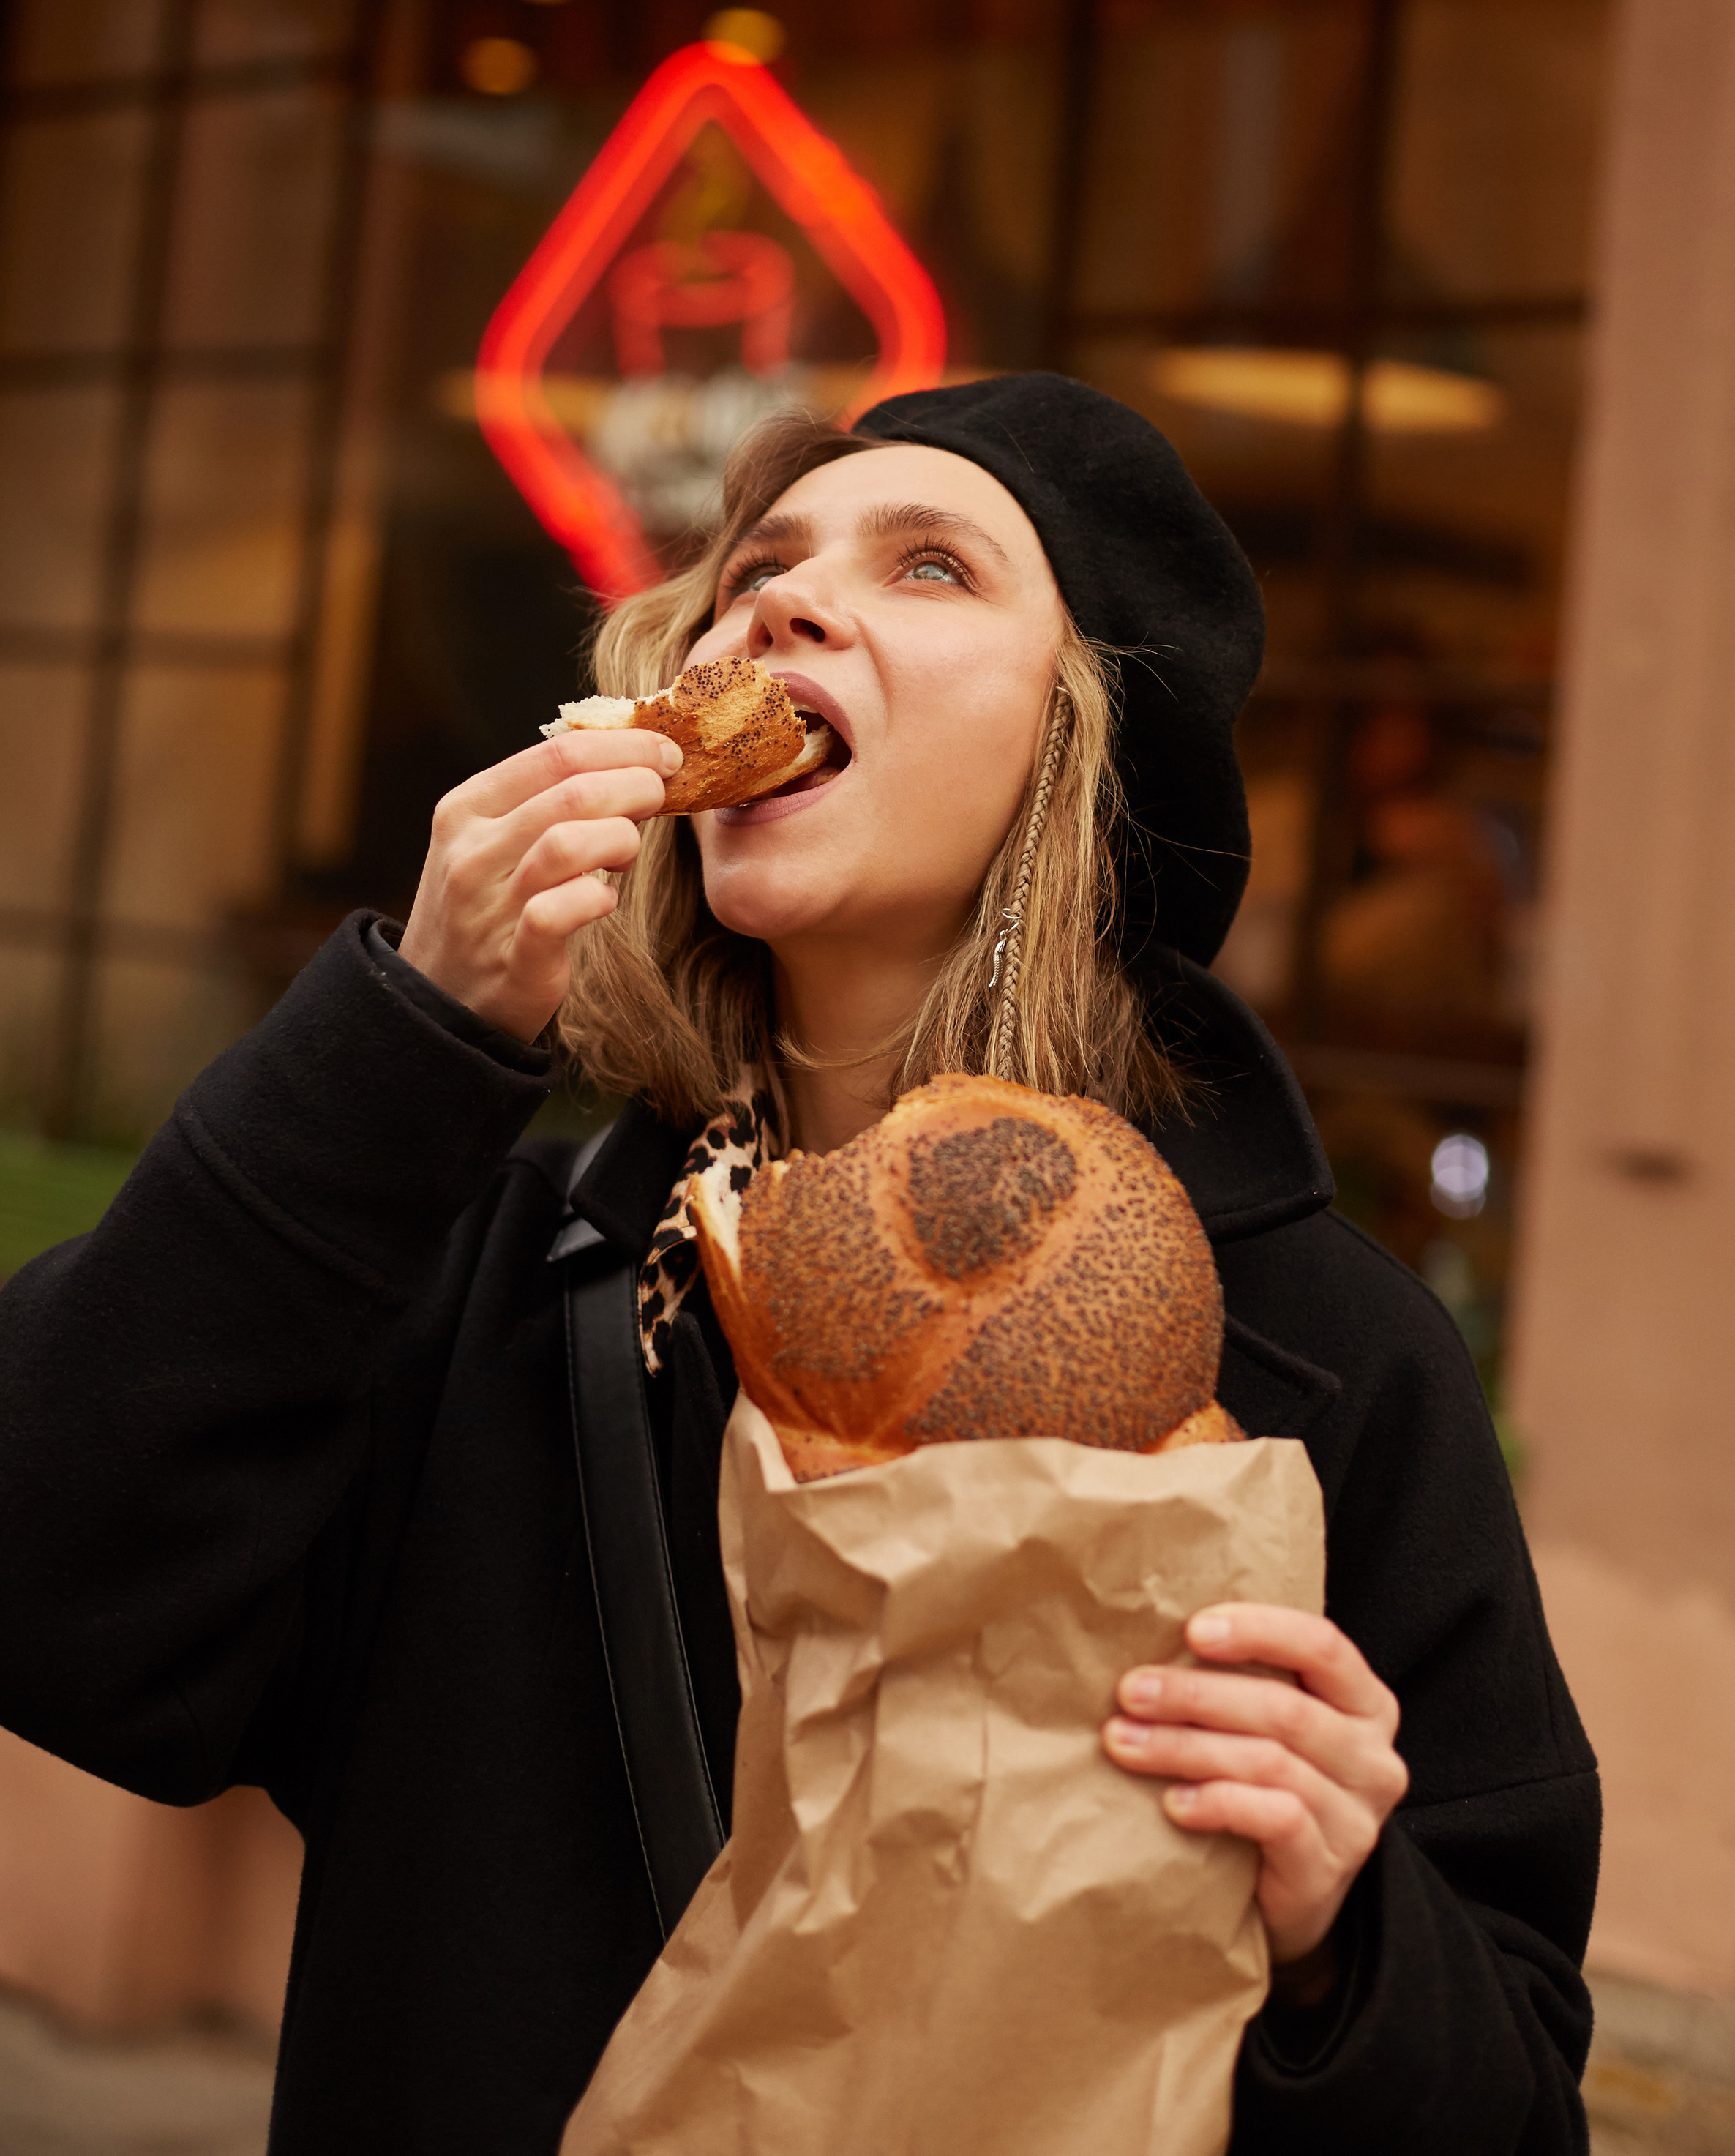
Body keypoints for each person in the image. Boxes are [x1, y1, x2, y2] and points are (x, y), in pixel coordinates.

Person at [0, 375, 1598, 2155]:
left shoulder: (1321, 1347)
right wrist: (401, 1042)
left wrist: (1339, 1926)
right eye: (757, 566)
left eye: (930, 568)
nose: (777, 601)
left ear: (1081, 748)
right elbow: (49, 1576)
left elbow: (1511, 2105)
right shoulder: (505, 1273)